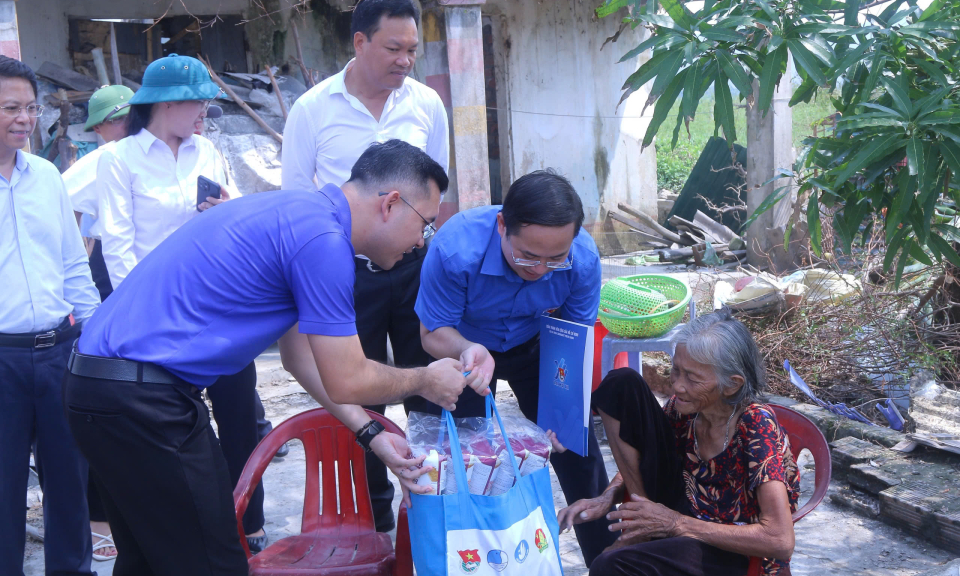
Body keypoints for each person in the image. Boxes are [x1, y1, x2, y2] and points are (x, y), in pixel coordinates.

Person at [63, 139, 483, 575]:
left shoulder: (295, 215)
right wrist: (423, 379)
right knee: (215, 563)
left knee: (149, 561)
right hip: (143, 401)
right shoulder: (323, 242)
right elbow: (349, 378)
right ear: (391, 204)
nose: (421, 242)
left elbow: (300, 360)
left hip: (96, 387)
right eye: (425, 225)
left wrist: (371, 433)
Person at [281, 0, 449, 533]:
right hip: (344, 274)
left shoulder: (426, 104)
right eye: (394, 49)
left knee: (430, 389)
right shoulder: (312, 109)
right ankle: (372, 524)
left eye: (412, 51)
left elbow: (437, 193)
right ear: (359, 43)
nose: (405, 61)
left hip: (415, 267)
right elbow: (294, 200)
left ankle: (435, 504)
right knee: (356, 391)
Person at [413, 169, 617, 566]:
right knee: (463, 463)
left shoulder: (584, 260)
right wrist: (470, 349)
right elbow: (432, 331)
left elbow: (571, 340)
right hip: (462, 352)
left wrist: (564, 410)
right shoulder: (456, 249)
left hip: (538, 345)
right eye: (527, 255)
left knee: (578, 454)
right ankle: (470, 562)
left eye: (554, 259)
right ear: (502, 224)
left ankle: (609, 562)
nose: (539, 268)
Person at [557, 309, 799, 576]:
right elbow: (645, 459)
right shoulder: (686, 409)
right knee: (621, 383)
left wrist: (675, 523)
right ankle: (642, 521)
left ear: (731, 385)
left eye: (692, 378)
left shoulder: (756, 424)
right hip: (683, 512)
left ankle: (645, 531)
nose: (677, 386)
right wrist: (606, 497)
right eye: (675, 371)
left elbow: (780, 540)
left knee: (611, 566)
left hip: (731, 547)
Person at [0, 56, 100, 576]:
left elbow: (71, 263)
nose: (24, 118)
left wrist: (98, 332)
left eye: (30, 107)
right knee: (3, 488)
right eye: (10, 108)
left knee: (70, 482)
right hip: (2, 360)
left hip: (59, 350)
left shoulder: (45, 177)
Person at [59, 83, 134, 562]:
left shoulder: (150, 155)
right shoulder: (100, 162)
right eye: (120, 119)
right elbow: (64, 211)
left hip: (124, 277)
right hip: (107, 281)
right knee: (100, 397)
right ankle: (96, 518)